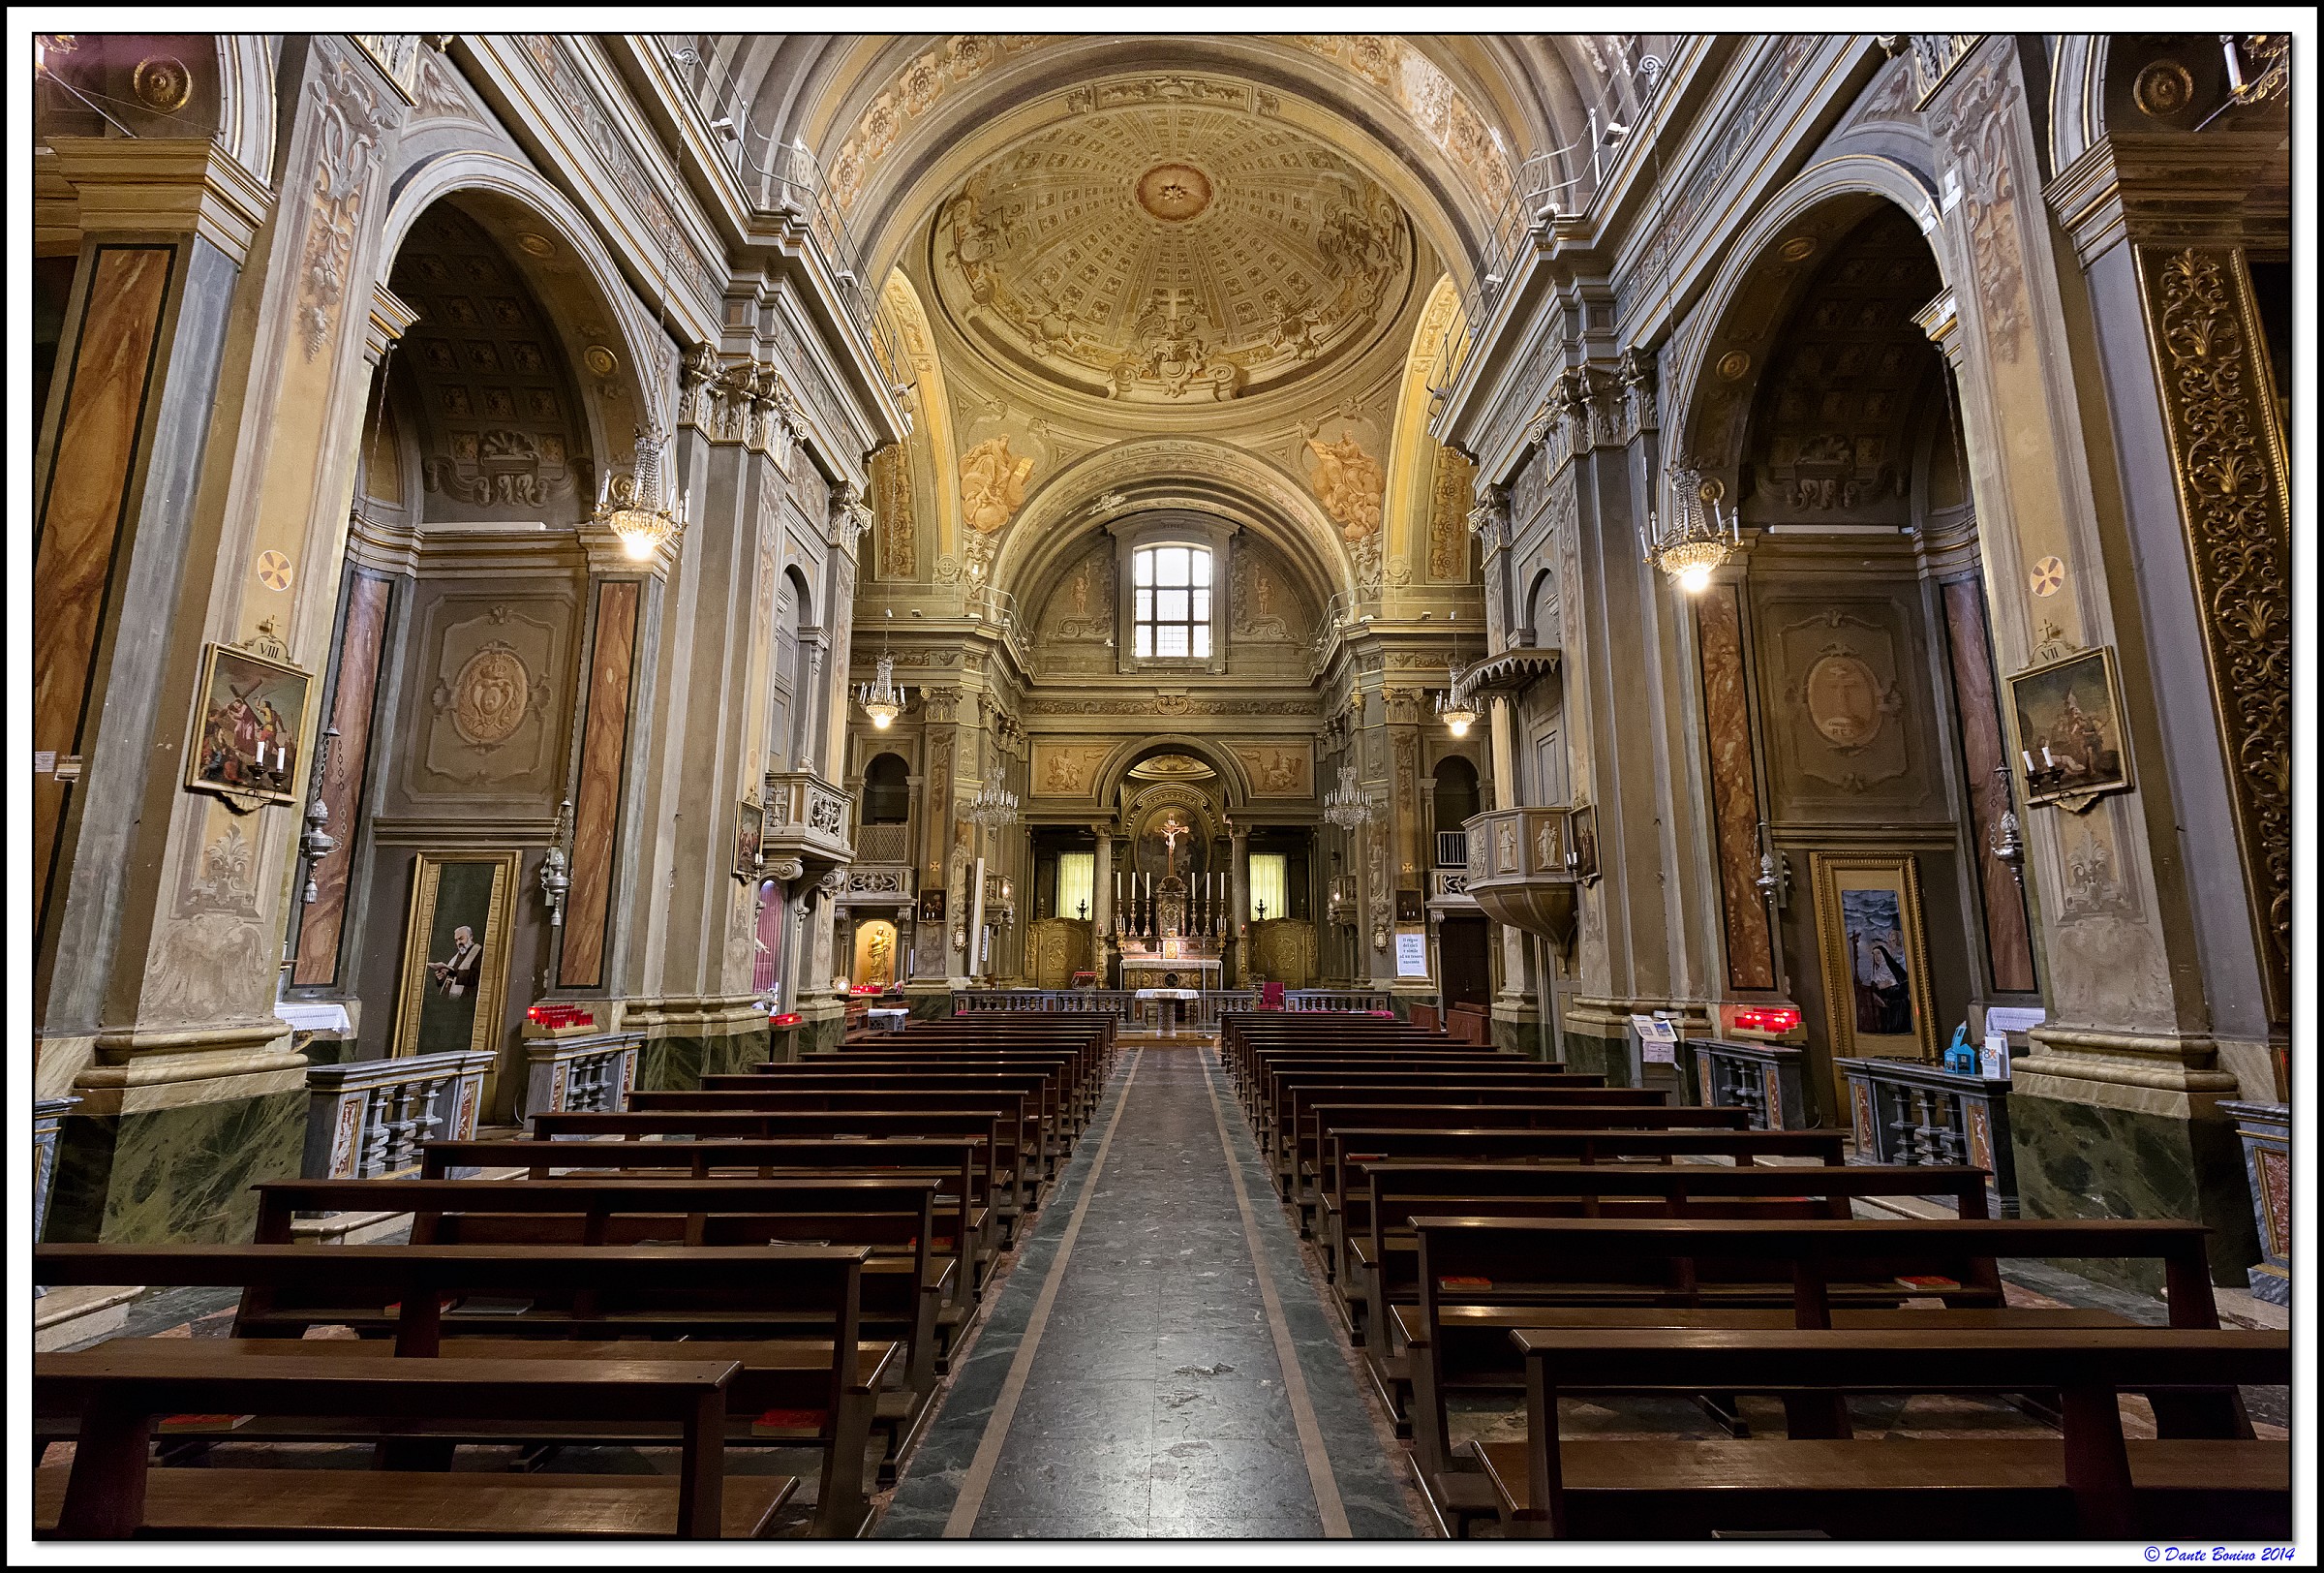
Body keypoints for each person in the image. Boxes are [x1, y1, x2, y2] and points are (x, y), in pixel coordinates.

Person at [428, 923, 484, 997]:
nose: (458, 943)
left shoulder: (479, 952)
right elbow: (449, 979)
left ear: (471, 937)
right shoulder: (458, 955)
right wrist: (441, 977)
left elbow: (477, 977)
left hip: (466, 998)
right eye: (456, 940)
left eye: (461, 939)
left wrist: (454, 973)